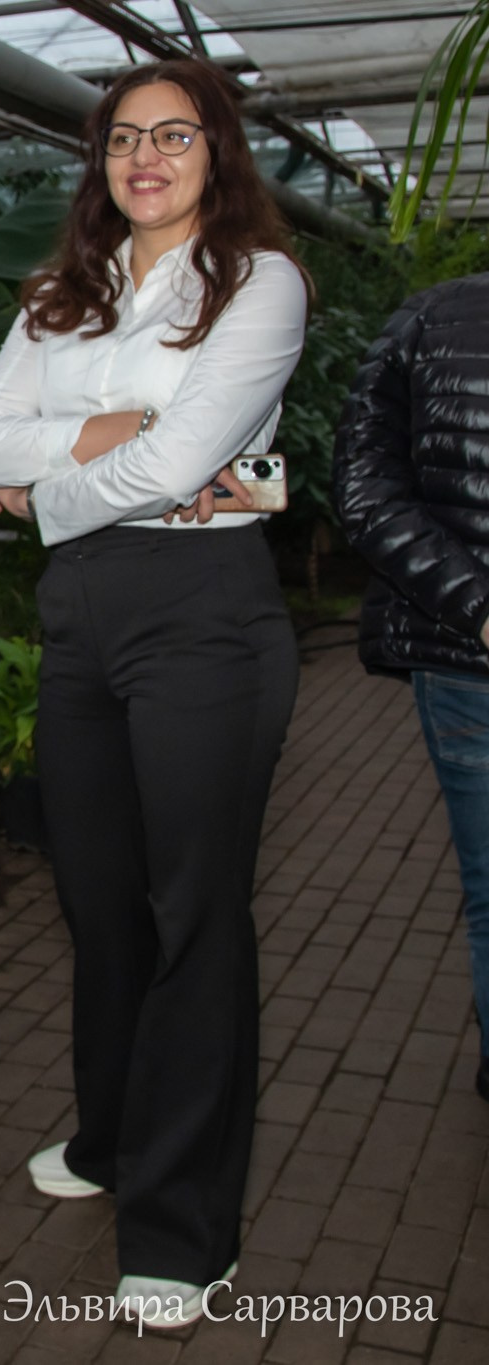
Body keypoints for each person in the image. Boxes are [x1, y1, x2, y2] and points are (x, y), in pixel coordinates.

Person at [0, 59, 308, 1327]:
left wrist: (50, 481)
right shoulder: (65, 290)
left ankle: (181, 1227)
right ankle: (109, 1139)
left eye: (172, 135)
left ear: (216, 151)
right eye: (120, 138)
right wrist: (106, 441)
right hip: (80, 619)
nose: (142, 157)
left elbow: (189, 459)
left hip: (202, 619)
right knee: (102, 909)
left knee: (192, 913)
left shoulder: (258, 282)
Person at [335, 273, 489, 1106]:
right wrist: (482, 610)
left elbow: (364, 485)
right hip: (474, 669)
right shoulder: (432, 320)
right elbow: (364, 487)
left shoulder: (428, 315)